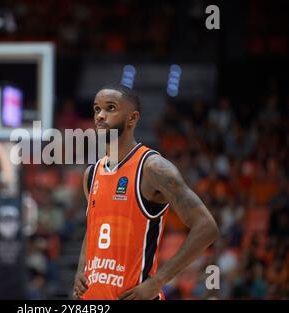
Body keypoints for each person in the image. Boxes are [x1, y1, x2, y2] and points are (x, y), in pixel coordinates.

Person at [73, 66, 219, 300]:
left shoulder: (154, 168)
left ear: (133, 118)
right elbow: (94, 228)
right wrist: (82, 267)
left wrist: (158, 281)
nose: (100, 115)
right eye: (97, 109)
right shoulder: (92, 174)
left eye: (110, 108)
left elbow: (207, 227)